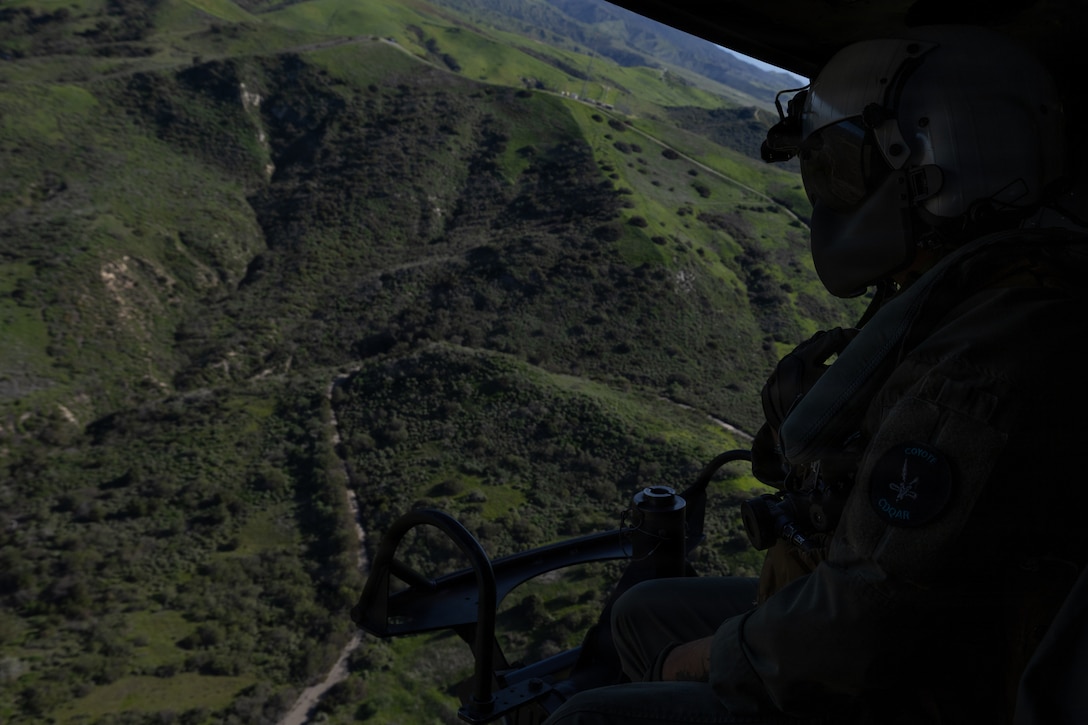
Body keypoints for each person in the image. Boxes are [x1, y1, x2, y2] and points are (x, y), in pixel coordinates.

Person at [543, 24, 1088, 725]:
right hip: (898, 626)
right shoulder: (958, 294)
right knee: (644, 611)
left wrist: (712, 658)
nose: (830, 195)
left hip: (928, 678)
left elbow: (866, 615)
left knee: (587, 717)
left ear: (942, 164)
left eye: (844, 169)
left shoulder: (988, 361)